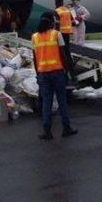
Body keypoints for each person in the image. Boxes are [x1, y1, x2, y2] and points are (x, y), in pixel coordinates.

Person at [32, 11, 78, 141]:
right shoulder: (56, 34)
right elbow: (63, 54)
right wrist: (69, 71)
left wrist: (38, 73)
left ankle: (47, 131)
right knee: (62, 100)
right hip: (57, 72)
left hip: (43, 74)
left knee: (47, 102)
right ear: (51, 22)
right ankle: (66, 127)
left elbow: (35, 58)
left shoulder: (34, 37)